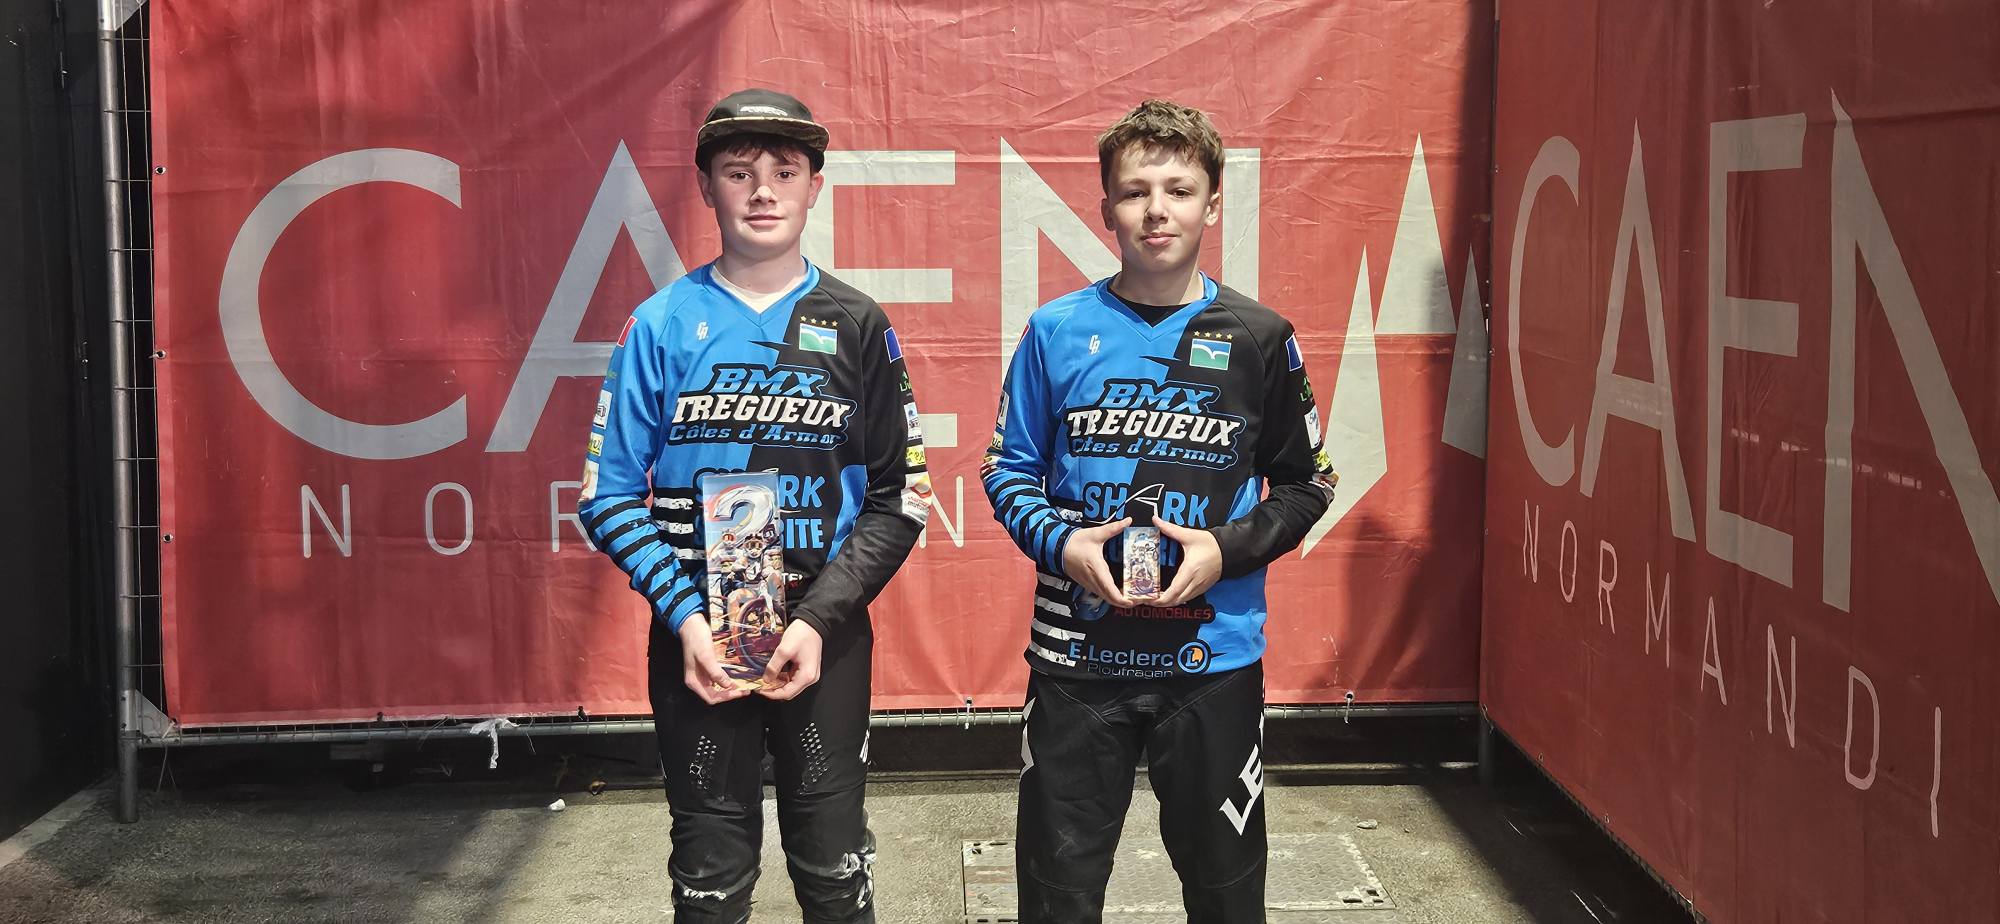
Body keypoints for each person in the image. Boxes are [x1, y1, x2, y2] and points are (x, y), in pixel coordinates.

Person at [981, 99, 1339, 923]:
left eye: (1179, 190)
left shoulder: (1258, 336)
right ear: (1106, 206)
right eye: (1135, 191)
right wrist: (1064, 545)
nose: (1156, 211)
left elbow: (1308, 483)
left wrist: (1225, 550)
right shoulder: (1053, 330)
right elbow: (1006, 469)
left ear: (1212, 204)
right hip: (1076, 661)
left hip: (1213, 663)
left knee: (1226, 896)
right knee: (1057, 898)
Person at [579, 87, 930, 923]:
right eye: (739, 173)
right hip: (699, 640)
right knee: (709, 876)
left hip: (824, 639)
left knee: (835, 870)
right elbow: (607, 496)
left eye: (785, 172)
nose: (763, 191)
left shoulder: (858, 324)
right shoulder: (659, 325)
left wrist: (817, 620)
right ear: (707, 188)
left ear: (816, 187)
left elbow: (902, 497)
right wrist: (688, 621)